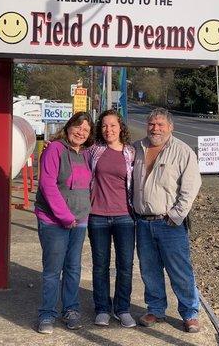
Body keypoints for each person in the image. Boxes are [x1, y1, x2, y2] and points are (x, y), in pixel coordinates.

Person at [133, 107, 202, 333]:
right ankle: (155, 309)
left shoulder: (182, 151)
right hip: (143, 222)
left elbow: (191, 187)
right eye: (152, 124)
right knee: (149, 270)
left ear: (170, 127)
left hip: (169, 223)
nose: (156, 128)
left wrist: (176, 215)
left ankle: (190, 313)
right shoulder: (137, 148)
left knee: (180, 270)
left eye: (161, 124)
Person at [34, 112, 94, 334]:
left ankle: (71, 309)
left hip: (79, 222)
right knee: (53, 269)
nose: (81, 132)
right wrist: (65, 217)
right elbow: (47, 185)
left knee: (73, 267)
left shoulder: (87, 154)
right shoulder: (54, 149)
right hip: (54, 221)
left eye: (86, 130)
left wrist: (81, 215)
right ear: (69, 127)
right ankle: (47, 314)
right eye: (78, 127)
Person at [88, 109, 136, 328]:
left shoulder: (131, 152)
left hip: (125, 217)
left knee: (125, 265)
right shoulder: (94, 150)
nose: (109, 130)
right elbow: (72, 147)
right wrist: (52, 144)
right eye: (105, 126)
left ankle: (123, 308)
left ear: (120, 127)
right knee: (100, 266)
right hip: (97, 216)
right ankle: (102, 308)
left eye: (113, 125)